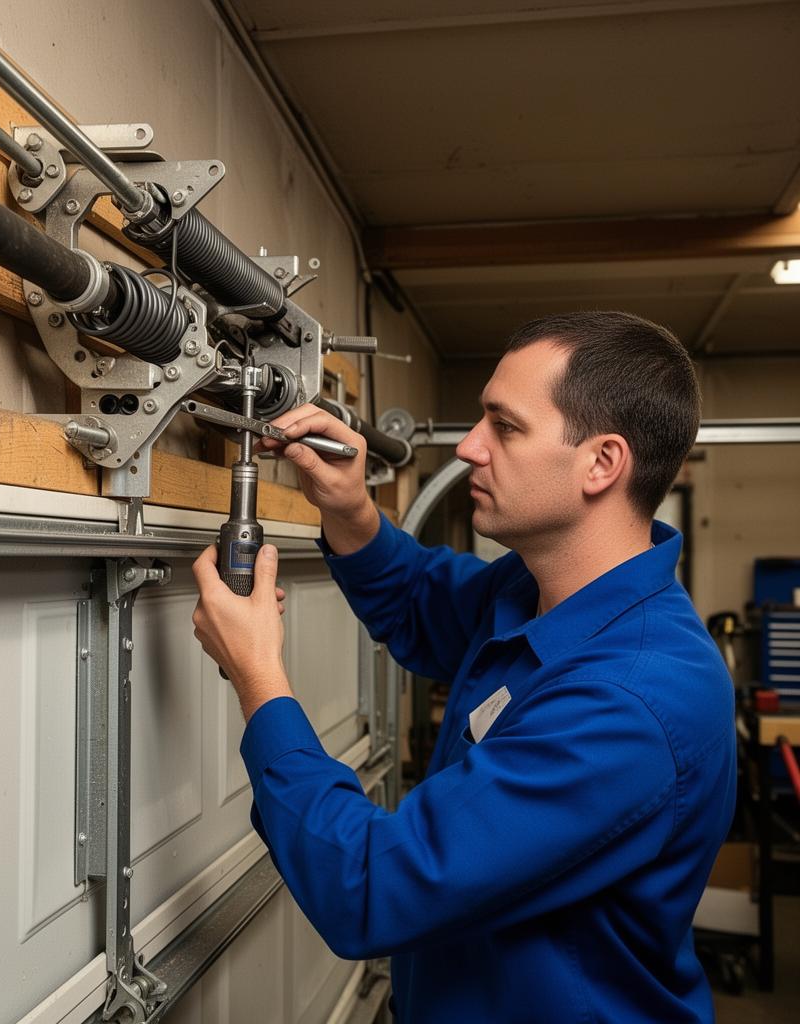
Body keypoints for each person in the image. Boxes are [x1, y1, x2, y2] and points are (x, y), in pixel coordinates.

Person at [191, 311, 736, 1023]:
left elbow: (372, 886)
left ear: (602, 463)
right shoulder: (537, 590)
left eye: (505, 427)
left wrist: (259, 677)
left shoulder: (630, 703)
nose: (471, 448)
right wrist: (352, 509)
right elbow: (423, 602)